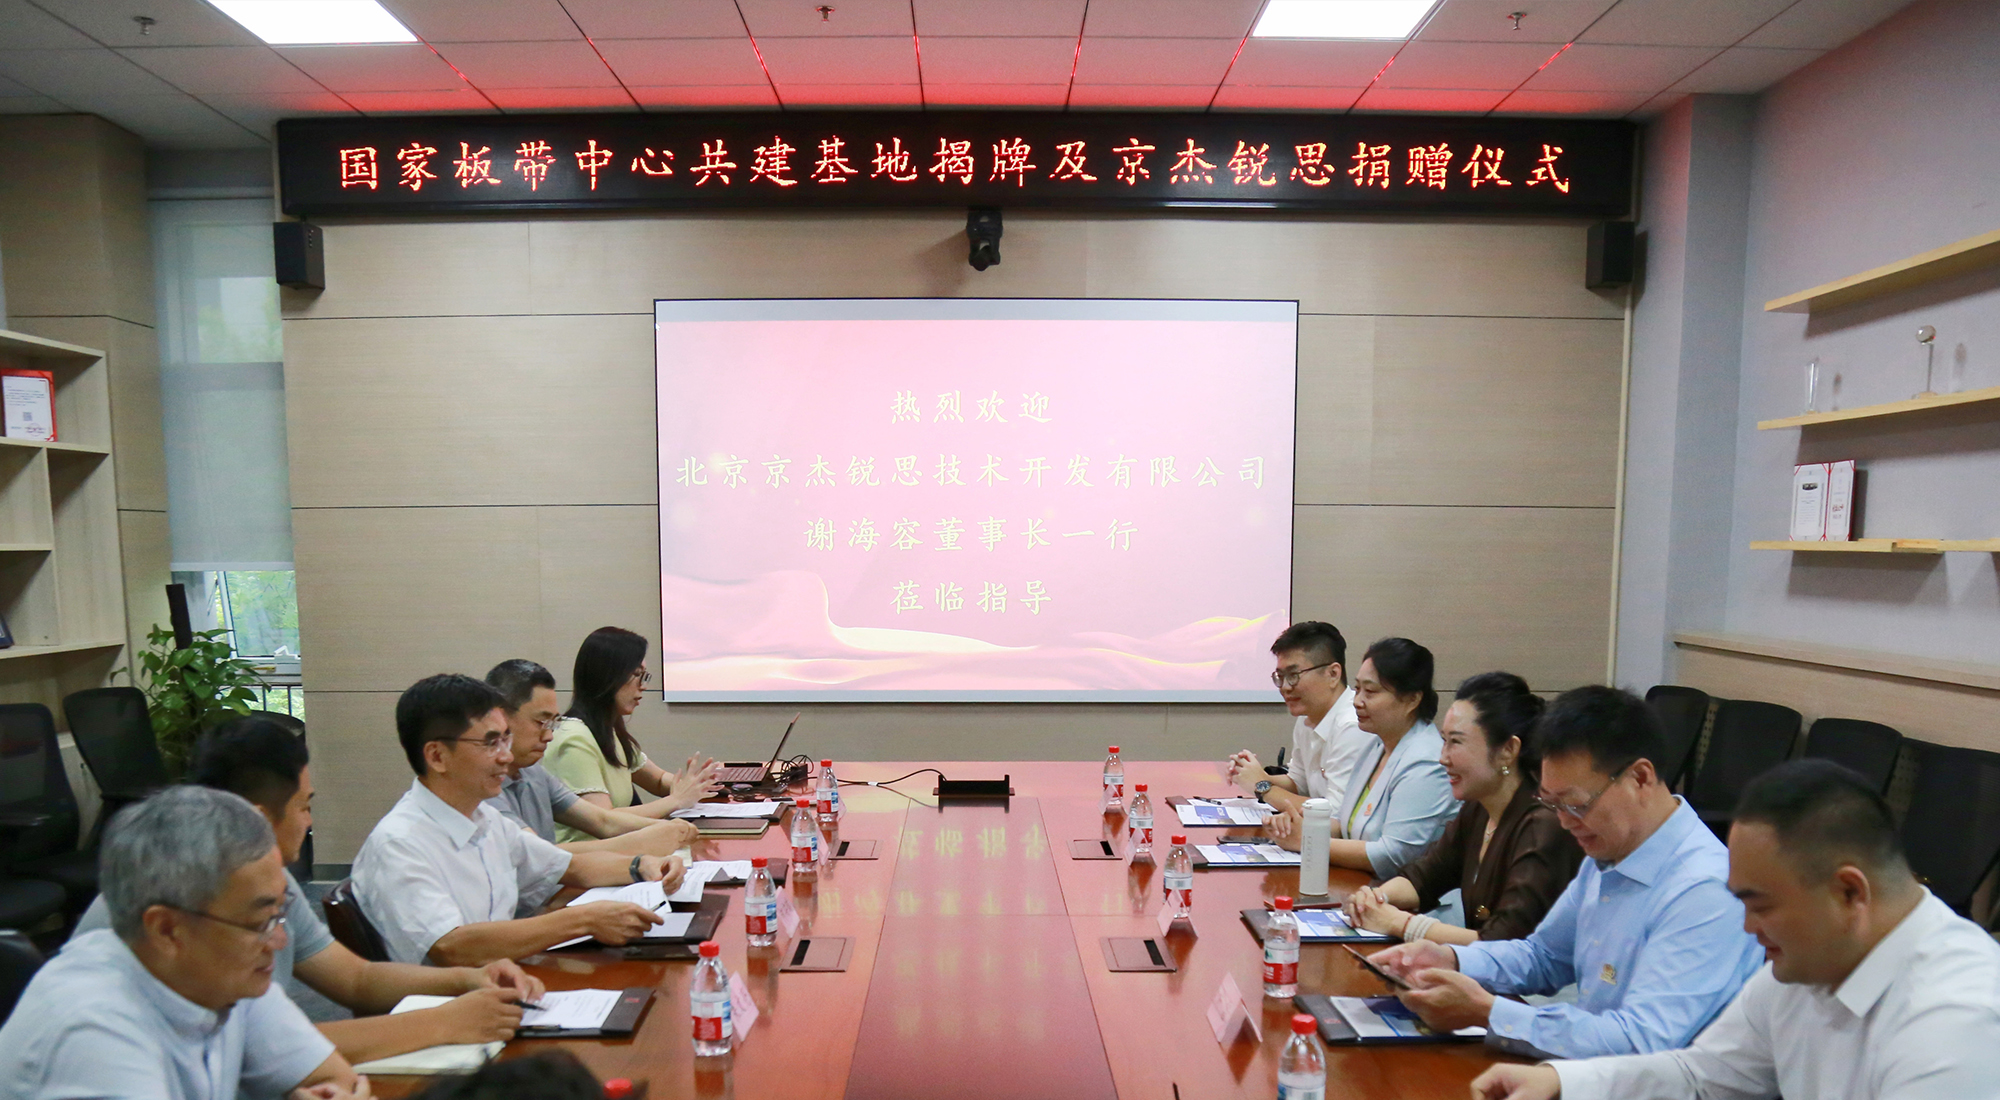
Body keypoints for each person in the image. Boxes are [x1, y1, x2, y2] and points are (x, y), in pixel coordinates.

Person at [1472, 759, 2000, 1100]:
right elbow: (1700, 1076)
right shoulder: (1804, 965)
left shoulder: (1955, 1024)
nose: (1746, 926)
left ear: (1849, 893)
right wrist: (1559, 1080)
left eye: (1760, 905)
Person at [71, 718, 544, 1065]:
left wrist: (467, 979)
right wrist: (447, 1021)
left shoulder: (261, 882)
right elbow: (265, 1049)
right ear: (257, 818)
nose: (310, 822)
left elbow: (356, 979)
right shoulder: (184, 902)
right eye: (303, 807)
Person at [1370, 685, 1763, 1059]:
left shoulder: (1705, 889)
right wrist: (1450, 959)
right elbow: (1543, 956)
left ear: (1640, 778)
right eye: (1552, 804)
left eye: (1576, 804)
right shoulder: (1609, 850)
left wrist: (1488, 1012)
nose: (1564, 822)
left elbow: (1641, 1041)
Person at [0, 786, 367, 1100]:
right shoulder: (93, 1032)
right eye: (260, 922)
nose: (279, 939)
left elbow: (335, 1080)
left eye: (279, 912)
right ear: (167, 930)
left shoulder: (225, 975)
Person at [353, 674, 688, 966]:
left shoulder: (484, 817)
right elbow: (452, 946)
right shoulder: (400, 842)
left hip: (506, 979)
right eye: (490, 743)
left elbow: (568, 866)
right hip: (452, 1005)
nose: (506, 755)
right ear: (437, 756)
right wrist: (583, 920)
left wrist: (642, 865)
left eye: (505, 739)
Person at [1344, 672, 1583, 944]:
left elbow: (1505, 943)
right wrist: (1376, 899)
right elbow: (1426, 876)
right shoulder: (1478, 808)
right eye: (1444, 740)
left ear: (1507, 750)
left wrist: (1400, 924)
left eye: (1456, 742)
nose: (1442, 758)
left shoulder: (1544, 825)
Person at [1268, 637, 1457, 877]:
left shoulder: (1427, 762)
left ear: (1412, 700)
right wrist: (1301, 829)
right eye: (1357, 689)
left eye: (1371, 692)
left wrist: (1307, 842)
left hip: (1405, 894)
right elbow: (1343, 822)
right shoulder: (1377, 744)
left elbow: (1394, 855)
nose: (1357, 701)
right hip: (1361, 884)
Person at [484, 659, 699, 856]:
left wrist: (669, 828)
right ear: (499, 718)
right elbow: (537, 854)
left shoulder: (534, 772)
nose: (549, 735)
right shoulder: (483, 785)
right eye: (541, 722)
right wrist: (642, 843)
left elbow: (602, 821)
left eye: (553, 723)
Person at [541, 627, 721, 842]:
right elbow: (605, 821)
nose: (643, 686)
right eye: (637, 675)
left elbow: (658, 780)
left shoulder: (608, 729)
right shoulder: (574, 738)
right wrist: (676, 800)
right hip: (587, 855)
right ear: (607, 675)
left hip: (617, 849)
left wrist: (695, 784)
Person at [1224, 621, 1376, 816]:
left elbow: (1334, 814)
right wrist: (1253, 774)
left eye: (1294, 675)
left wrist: (1261, 786)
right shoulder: (1308, 718)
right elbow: (1299, 783)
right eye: (1280, 676)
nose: (1285, 687)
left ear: (1333, 674)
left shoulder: (1353, 726)